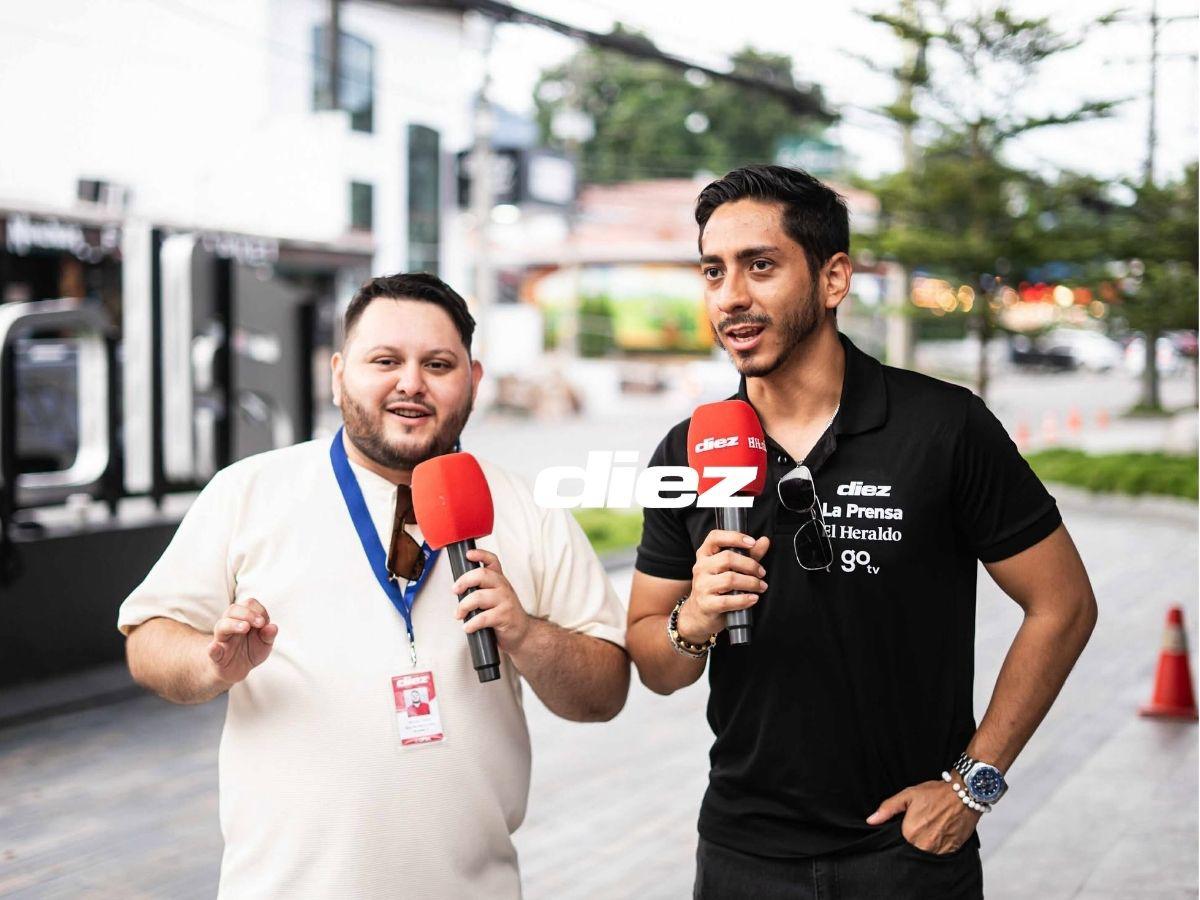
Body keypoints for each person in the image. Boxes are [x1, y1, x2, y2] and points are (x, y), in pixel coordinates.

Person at [626, 165, 1097, 899]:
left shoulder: (944, 427)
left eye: (761, 265)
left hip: (907, 855)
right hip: (742, 856)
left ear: (833, 277)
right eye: (713, 272)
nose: (731, 297)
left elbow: (1064, 604)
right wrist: (695, 620)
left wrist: (974, 786)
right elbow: (657, 664)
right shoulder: (689, 448)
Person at [120, 272, 629, 899]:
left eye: (437, 364)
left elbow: (604, 691)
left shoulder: (528, 509)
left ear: (473, 380)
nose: (410, 382)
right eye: (384, 360)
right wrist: (211, 662)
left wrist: (526, 634)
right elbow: (147, 639)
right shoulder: (249, 491)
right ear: (338, 374)